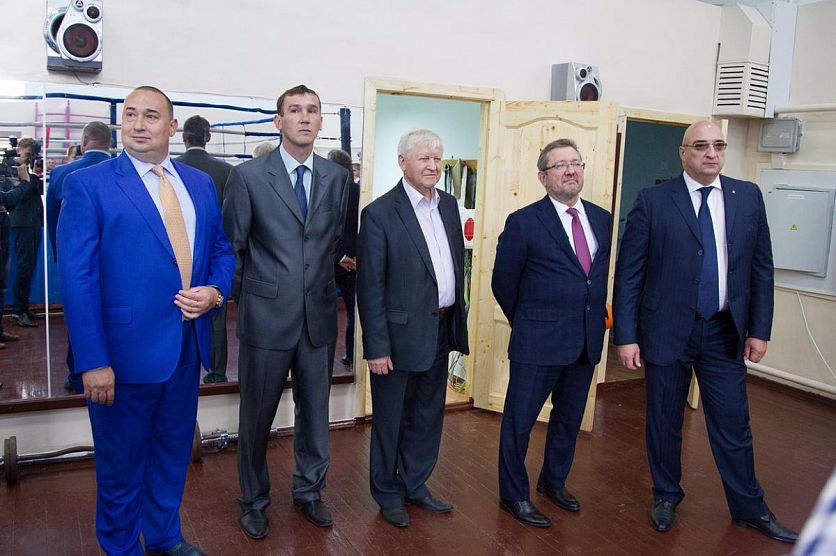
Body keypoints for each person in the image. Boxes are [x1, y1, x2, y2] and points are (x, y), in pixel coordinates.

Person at [58, 85, 234, 556]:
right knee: (120, 463)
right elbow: (77, 280)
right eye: (131, 115)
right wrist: (92, 360)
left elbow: (221, 250)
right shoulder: (89, 185)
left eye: (151, 116)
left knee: (172, 452)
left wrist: (215, 291)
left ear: (172, 126)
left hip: (185, 348)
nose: (138, 124)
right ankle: (120, 548)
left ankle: (163, 537)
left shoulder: (199, 184)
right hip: (120, 357)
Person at [613, 120, 798, 543]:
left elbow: (761, 268)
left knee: (733, 423)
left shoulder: (747, 197)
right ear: (683, 153)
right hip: (666, 331)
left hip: (724, 331)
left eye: (718, 145)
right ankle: (665, 495)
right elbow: (629, 274)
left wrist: (759, 330)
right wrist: (626, 335)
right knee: (664, 420)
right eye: (700, 146)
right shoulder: (654, 201)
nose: (711, 153)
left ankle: (749, 507)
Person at [223, 84, 350, 538]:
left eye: (312, 110)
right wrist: (248, 302)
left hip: (319, 318)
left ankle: (309, 492)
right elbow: (233, 248)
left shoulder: (337, 179)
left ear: (320, 122)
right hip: (265, 319)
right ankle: (254, 500)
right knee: (256, 417)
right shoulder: (249, 177)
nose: (304, 117)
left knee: (315, 415)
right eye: (294, 110)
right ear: (279, 121)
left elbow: (331, 243)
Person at [491, 138, 611, 528]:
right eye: (560, 165)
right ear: (543, 177)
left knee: (568, 419)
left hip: (586, 341)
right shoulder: (525, 222)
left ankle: (553, 482)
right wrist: (529, 321)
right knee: (519, 422)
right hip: (537, 342)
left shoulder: (602, 219)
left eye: (576, 163)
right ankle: (513, 495)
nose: (570, 170)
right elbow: (503, 283)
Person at [357, 129, 469, 528]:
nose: (433, 166)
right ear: (403, 162)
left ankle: (415, 484)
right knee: (391, 419)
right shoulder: (379, 214)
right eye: (424, 158)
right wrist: (376, 347)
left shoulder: (449, 206)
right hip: (397, 338)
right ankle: (387, 493)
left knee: (426, 416)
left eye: (437, 158)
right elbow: (370, 286)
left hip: (440, 329)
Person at [46, 120, 112, 393]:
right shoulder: (122, 173)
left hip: (75, 260)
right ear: (110, 144)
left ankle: (77, 374)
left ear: (84, 142)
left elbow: (52, 222)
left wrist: (62, 258)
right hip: (115, 264)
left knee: (80, 312)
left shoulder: (61, 174)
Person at [176, 115, 235, 384]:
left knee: (176, 312)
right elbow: (233, 218)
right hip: (217, 254)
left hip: (179, 255)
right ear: (208, 137)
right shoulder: (227, 171)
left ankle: (178, 370)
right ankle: (217, 372)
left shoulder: (172, 170)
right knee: (216, 313)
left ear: (183, 137)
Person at [326, 149, 359, 367]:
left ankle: (323, 360)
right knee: (354, 313)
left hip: (328, 261)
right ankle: (351, 355)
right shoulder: (360, 191)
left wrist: (337, 256)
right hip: (353, 262)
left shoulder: (324, 191)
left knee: (323, 314)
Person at [8, 137, 43, 328]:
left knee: (29, 266)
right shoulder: (10, 168)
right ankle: (18, 310)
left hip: (32, 222)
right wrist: (32, 176)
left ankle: (23, 306)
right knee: (24, 266)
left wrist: (35, 173)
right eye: (28, 154)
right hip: (22, 223)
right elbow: (22, 191)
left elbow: (37, 190)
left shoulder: (28, 170)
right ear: (19, 149)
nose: (29, 158)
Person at [0, 166, 35, 350]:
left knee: (1, 287)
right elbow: (9, 200)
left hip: (3, 239)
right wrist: (24, 182)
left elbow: (8, 203)